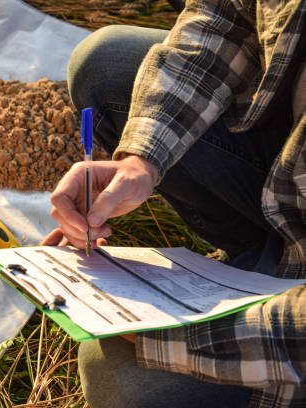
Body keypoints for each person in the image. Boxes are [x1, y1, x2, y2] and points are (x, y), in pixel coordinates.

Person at [42, 0, 305, 406]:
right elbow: (224, 16)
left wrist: (171, 332)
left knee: (117, 378)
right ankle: (253, 259)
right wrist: (142, 159)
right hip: (290, 184)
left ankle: (252, 279)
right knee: (105, 65)